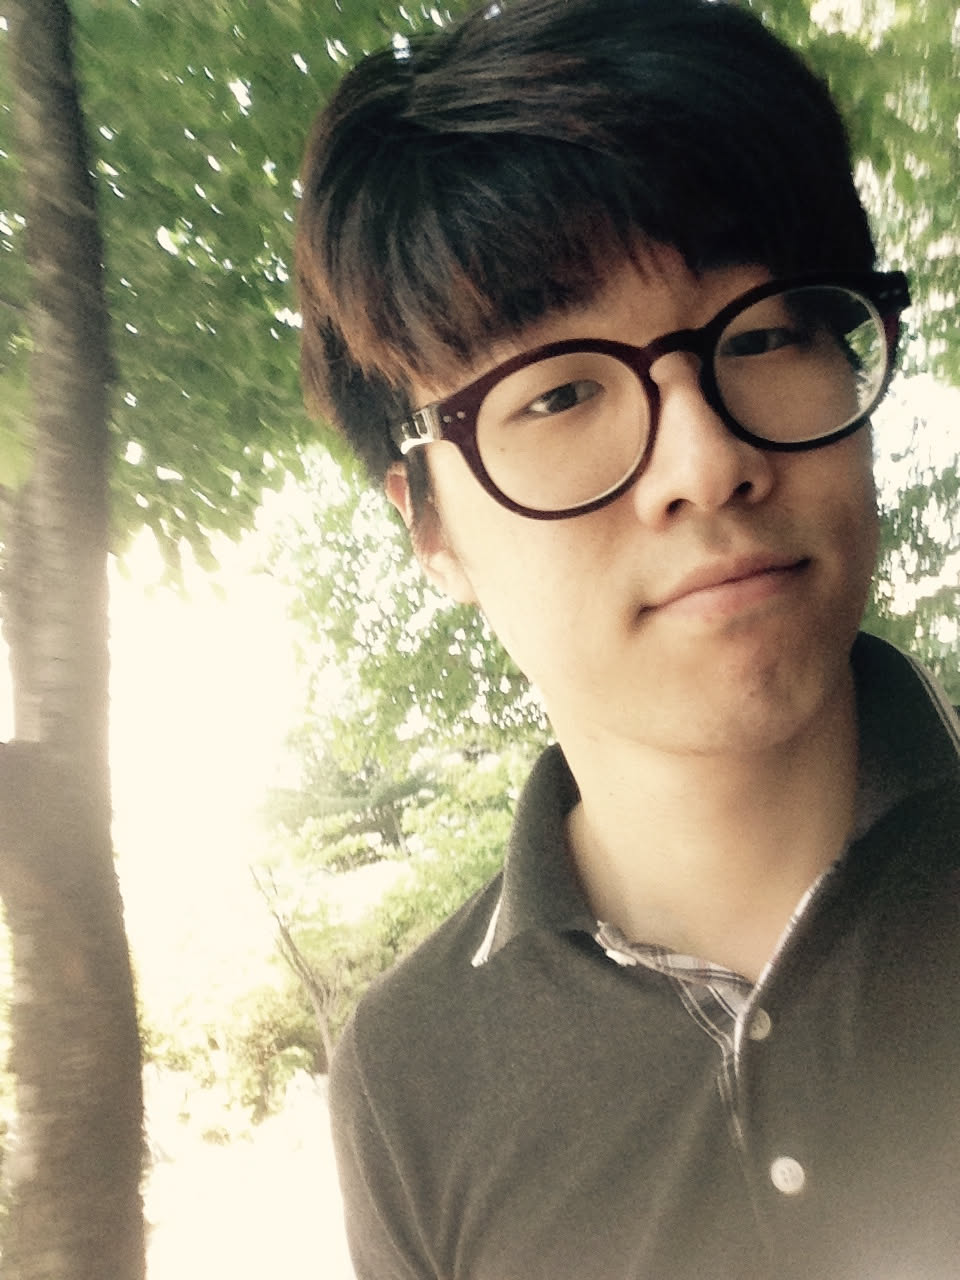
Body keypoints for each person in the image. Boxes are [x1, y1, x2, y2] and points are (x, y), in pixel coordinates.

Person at [294, 0, 960, 1275]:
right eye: (557, 393)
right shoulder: (411, 1071)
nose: (706, 462)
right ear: (429, 526)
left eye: (763, 334)